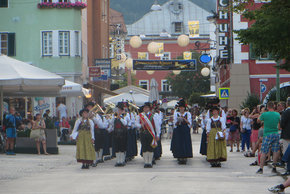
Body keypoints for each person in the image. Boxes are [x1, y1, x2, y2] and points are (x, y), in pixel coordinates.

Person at [256, 101, 281, 174]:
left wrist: (261, 114)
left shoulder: (264, 114)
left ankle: (261, 168)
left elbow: (258, 121)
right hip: (275, 133)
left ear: (267, 107)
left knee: (264, 151)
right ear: (273, 106)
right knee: (276, 151)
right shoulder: (277, 114)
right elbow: (279, 125)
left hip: (267, 134)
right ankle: (274, 167)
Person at [136, 102, 160, 168]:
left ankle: (150, 162)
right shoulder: (140, 116)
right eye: (144, 108)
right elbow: (136, 124)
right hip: (143, 133)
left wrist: (158, 134)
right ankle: (146, 162)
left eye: (147, 107)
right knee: (144, 147)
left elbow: (157, 126)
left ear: (149, 108)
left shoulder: (153, 116)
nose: (146, 109)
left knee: (150, 148)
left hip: (151, 134)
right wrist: (141, 125)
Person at [85, 102, 108, 167]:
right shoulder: (85, 114)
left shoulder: (96, 115)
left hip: (96, 132)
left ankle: (95, 160)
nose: (89, 108)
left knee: (95, 147)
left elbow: (100, 125)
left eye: (90, 107)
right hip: (87, 132)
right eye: (88, 107)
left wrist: (93, 118)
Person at [171, 99, 193, 164]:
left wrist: (183, 118)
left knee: (185, 143)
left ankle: (185, 156)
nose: (181, 109)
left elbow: (189, 123)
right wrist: (178, 120)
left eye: (182, 107)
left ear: (184, 108)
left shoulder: (188, 114)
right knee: (179, 143)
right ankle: (179, 156)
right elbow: (174, 123)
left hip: (185, 129)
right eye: (180, 107)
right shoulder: (176, 113)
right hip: (178, 130)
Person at [111, 102, 128, 167]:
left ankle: (122, 160)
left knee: (122, 148)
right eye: (118, 110)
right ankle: (118, 161)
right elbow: (111, 123)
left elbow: (125, 123)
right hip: (116, 133)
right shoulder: (114, 116)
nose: (119, 111)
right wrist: (114, 117)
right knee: (117, 148)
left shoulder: (125, 116)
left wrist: (120, 118)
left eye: (120, 110)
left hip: (123, 133)